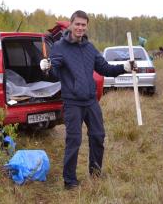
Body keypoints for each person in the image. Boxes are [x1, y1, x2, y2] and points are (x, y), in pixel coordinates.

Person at [40, 10, 136, 190]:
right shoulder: (60, 47)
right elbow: (54, 72)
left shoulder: (90, 48)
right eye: (77, 24)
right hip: (72, 102)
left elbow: (104, 68)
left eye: (83, 25)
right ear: (71, 25)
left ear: (87, 26)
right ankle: (70, 181)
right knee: (74, 140)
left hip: (91, 101)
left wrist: (124, 67)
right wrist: (46, 67)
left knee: (98, 136)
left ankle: (95, 173)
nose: (80, 28)